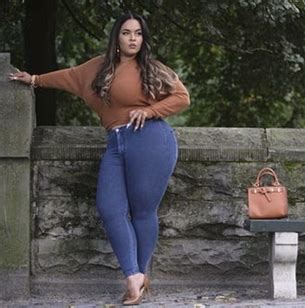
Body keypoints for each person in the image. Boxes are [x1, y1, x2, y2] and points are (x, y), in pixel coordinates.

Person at [9, 12, 190, 305]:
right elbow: (68, 76)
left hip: (150, 139)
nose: (133, 39)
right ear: (116, 38)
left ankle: (137, 276)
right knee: (109, 208)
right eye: (127, 33)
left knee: (143, 211)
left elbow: (182, 97)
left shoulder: (152, 69)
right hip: (115, 143)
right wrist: (35, 80)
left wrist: (149, 110)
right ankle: (134, 275)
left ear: (144, 40)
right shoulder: (96, 68)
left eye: (139, 34)